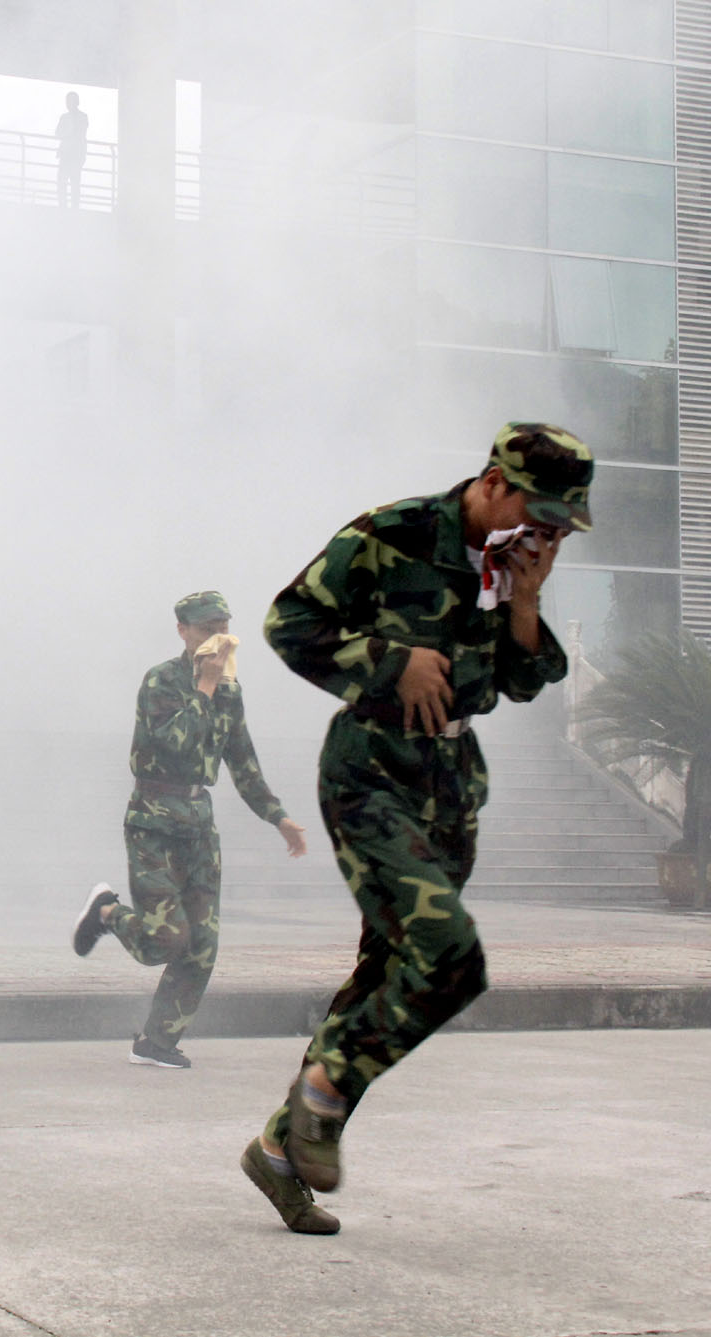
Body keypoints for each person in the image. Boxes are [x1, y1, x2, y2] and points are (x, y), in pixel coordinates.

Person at [238, 423, 592, 1236]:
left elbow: (523, 680)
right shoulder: (388, 535)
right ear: (491, 483)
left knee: (384, 980)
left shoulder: (511, 567)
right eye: (539, 513)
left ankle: (280, 1146)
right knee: (448, 955)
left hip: (449, 785)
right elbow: (288, 624)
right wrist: (391, 660)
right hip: (370, 769)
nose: (547, 534)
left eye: (562, 524)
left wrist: (528, 600)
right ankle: (321, 1097)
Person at [72, 591, 309, 1067]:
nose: (217, 640)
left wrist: (277, 816)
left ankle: (156, 1042)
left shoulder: (231, 691)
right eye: (205, 630)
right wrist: (204, 687)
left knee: (201, 944)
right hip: (153, 822)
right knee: (165, 939)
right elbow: (174, 746)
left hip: (199, 826)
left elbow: (242, 761)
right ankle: (107, 913)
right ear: (183, 632)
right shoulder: (162, 681)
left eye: (223, 628)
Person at [55, 91, 89, 208]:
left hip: (74, 155)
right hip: (69, 154)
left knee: (73, 182)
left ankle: (72, 207)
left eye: (70, 101)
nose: (69, 104)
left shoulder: (82, 117)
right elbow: (58, 133)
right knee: (64, 181)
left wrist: (67, 134)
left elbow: (78, 133)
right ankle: (64, 205)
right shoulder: (70, 117)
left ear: (76, 102)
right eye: (68, 101)